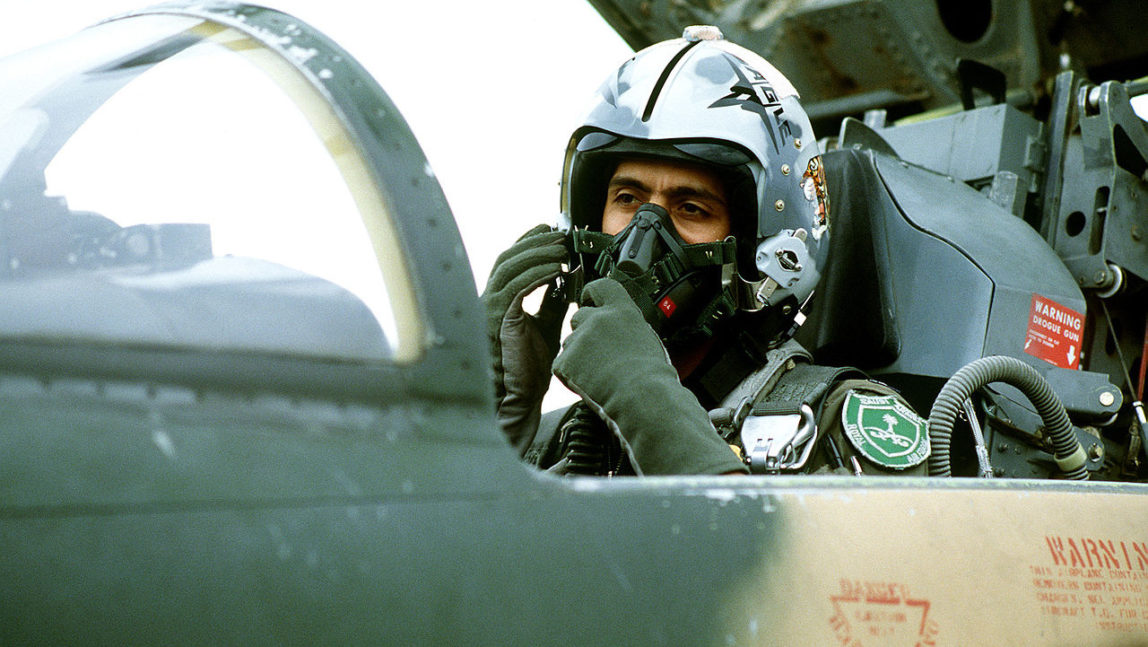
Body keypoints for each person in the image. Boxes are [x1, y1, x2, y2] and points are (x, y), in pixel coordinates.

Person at [483, 26, 928, 477]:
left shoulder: (833, 425)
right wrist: (484, 420)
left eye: (691, 207)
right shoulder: (552, 444)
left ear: (760, 246)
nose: (643, 235)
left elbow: (765, 546)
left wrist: (642, 399)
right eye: (627, 199)